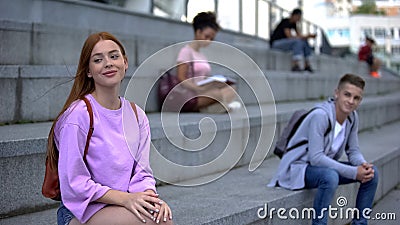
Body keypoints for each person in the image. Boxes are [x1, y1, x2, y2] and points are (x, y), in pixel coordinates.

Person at [46, 32, 173, 225]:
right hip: (81, 211)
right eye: (98, 59)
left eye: (114, 56)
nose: (108, 63)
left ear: (125, 62)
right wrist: (126, 199)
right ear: (88, 70)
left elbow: (142, 173)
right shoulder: (78, 115)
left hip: (122, 205)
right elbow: (74, 183)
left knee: (160, 216)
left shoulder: (136, 115)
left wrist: (150, 199)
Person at [268, 74, 378, 225]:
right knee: (330, 177)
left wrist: (363, 166)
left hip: (322, 168)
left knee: (372, 174)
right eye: (347, 95)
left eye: (356, 98)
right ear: (336, 93)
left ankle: (360, 223)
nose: (351, 101)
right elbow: (316, 158)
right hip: (298, 168)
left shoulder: (352, 118)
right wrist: (354, 172)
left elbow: (353, 151)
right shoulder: (320, 116)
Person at [174, 11, 239, 113]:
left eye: (212, 39)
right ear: (198, 32)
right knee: (218, 94)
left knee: (232, 88)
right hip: (192, 94)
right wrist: (197, 89)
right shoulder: (186, 51)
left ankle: (213, 108)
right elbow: (181, 78)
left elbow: (203, 78)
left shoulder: (202, 55)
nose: (208, 41)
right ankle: (218, 108)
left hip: (204, 92)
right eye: (206, 36)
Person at [270, 8, 316, 72]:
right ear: (294, 15)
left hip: (284, 43)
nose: (299, 19)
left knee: (304, 41)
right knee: (298, 42)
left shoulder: (294, 24)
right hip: (276, 43)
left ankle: (307, 65)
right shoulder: (286, 22)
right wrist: (306, 36)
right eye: (298, 17)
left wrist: (307, 37)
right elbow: (289, 36)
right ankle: (295, 65)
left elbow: (299, 36)